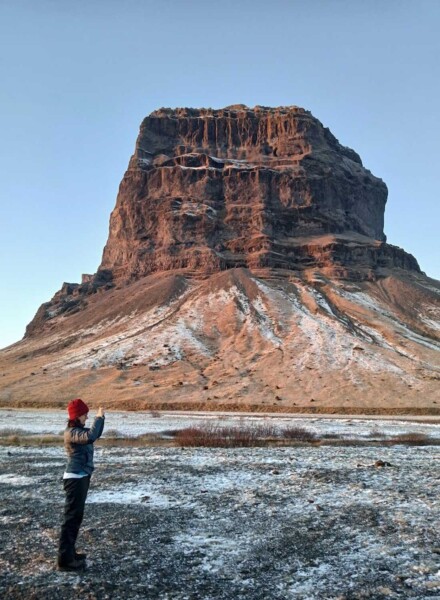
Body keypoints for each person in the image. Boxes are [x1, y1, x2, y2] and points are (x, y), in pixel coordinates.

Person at [57, 398, 105, 571]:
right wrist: (99, 419)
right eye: (85, 414)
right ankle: (64, 560)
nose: (87, 417)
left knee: (76, 517)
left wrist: (101, 419)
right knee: (70, 519)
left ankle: (69, 553)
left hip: (81, 476)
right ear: (77, 416)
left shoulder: (77, 430)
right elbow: (91, 436)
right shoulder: (71, 432)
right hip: (75, 478)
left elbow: (94, 435)